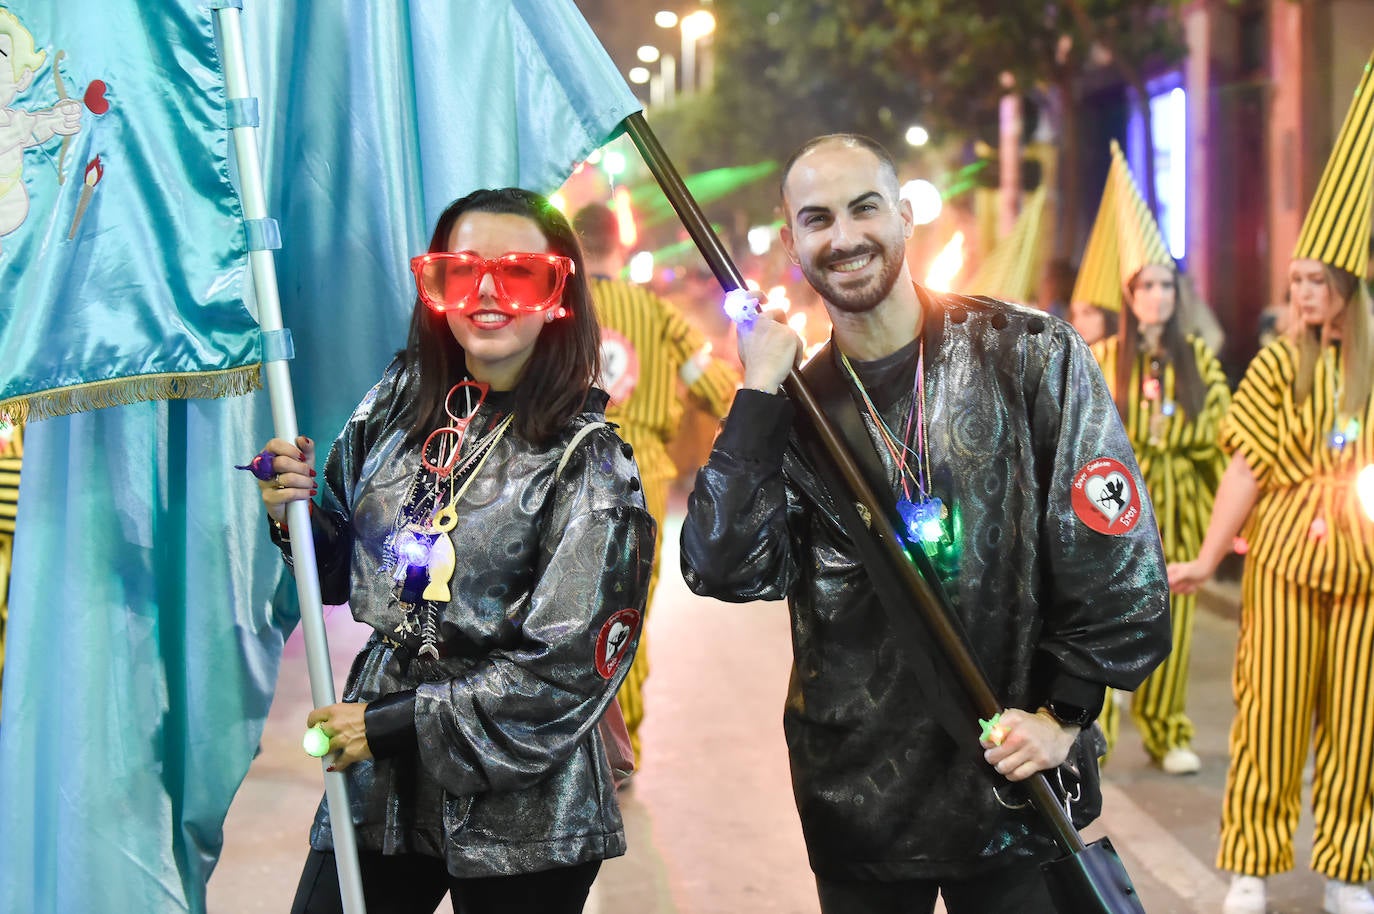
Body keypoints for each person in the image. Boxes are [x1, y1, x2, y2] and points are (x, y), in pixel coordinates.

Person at [679, 133, 1171, 913]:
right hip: (858, 803)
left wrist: (1064, 716)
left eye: (864, 208)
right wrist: (757, 398)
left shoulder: (1029, 356)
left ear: (905, 216)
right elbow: (723, 567)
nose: (844, 237)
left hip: (1015, 790)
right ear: (791, 244)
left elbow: (1115, 557)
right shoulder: (794, 410)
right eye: (817, 219)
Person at [250, 187, 656, 914]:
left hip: (527, 799)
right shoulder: (398, 401)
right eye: (462, 272)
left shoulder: (591, 465)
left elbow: (562, 674)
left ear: (558, 290)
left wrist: (384, 724)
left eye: (520, 272)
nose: (488, 293)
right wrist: (297, 511)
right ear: (436, 286)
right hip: (384, 782)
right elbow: (338, 572)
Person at [1170, 50, 1374, 914]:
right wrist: (1208, 556)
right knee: (1270, 718)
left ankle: (1350, 869)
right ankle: (1250, 864)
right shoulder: (1270, 369)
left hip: (1366, 571)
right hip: (1286, 563)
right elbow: (1245, 471)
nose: (1302, 292)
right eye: (1295, 280)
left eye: (1316, 281)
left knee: (1360, 728)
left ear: (1347, 287)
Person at [1075, 141, 1231, 775]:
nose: (1158, 297)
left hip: (1181, 508)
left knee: (1177, 622)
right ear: (1130, 293)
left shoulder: (1197, 359)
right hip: (1118, 508)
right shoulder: (1107, 358)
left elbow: (1220, 431)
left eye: (1167, 285)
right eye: (1147, 286)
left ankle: (1167, 731)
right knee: (1108, 613)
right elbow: (1085, 434)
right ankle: (1098, 729)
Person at [570, 202, 738, 764]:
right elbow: (719, 392)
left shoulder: (559, 308)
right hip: (642, 472)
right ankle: (621, 745)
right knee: (627, 611)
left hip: (563, 470)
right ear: (623, 242)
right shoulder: (661, 317)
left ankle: (563, 739)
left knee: (561, 607)